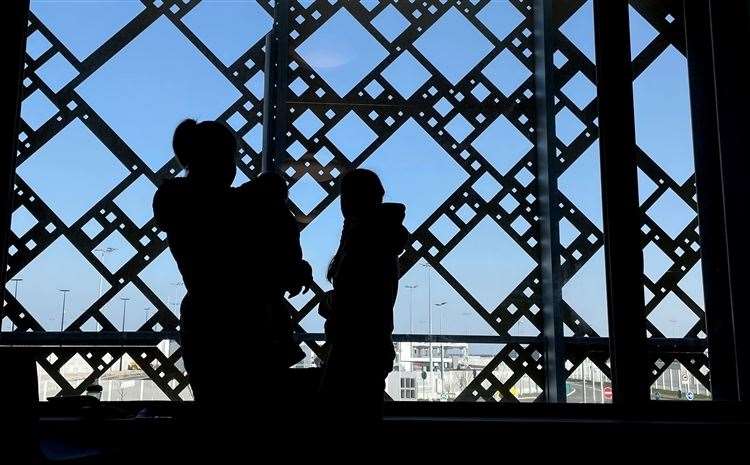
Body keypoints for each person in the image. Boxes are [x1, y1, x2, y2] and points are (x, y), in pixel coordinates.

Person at [319, 169, 409, 425]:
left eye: (345, 196)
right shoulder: (381, 238)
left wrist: (329, 302)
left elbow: (354, 300)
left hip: (354, 348)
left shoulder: (363, 240)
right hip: (372, 346)